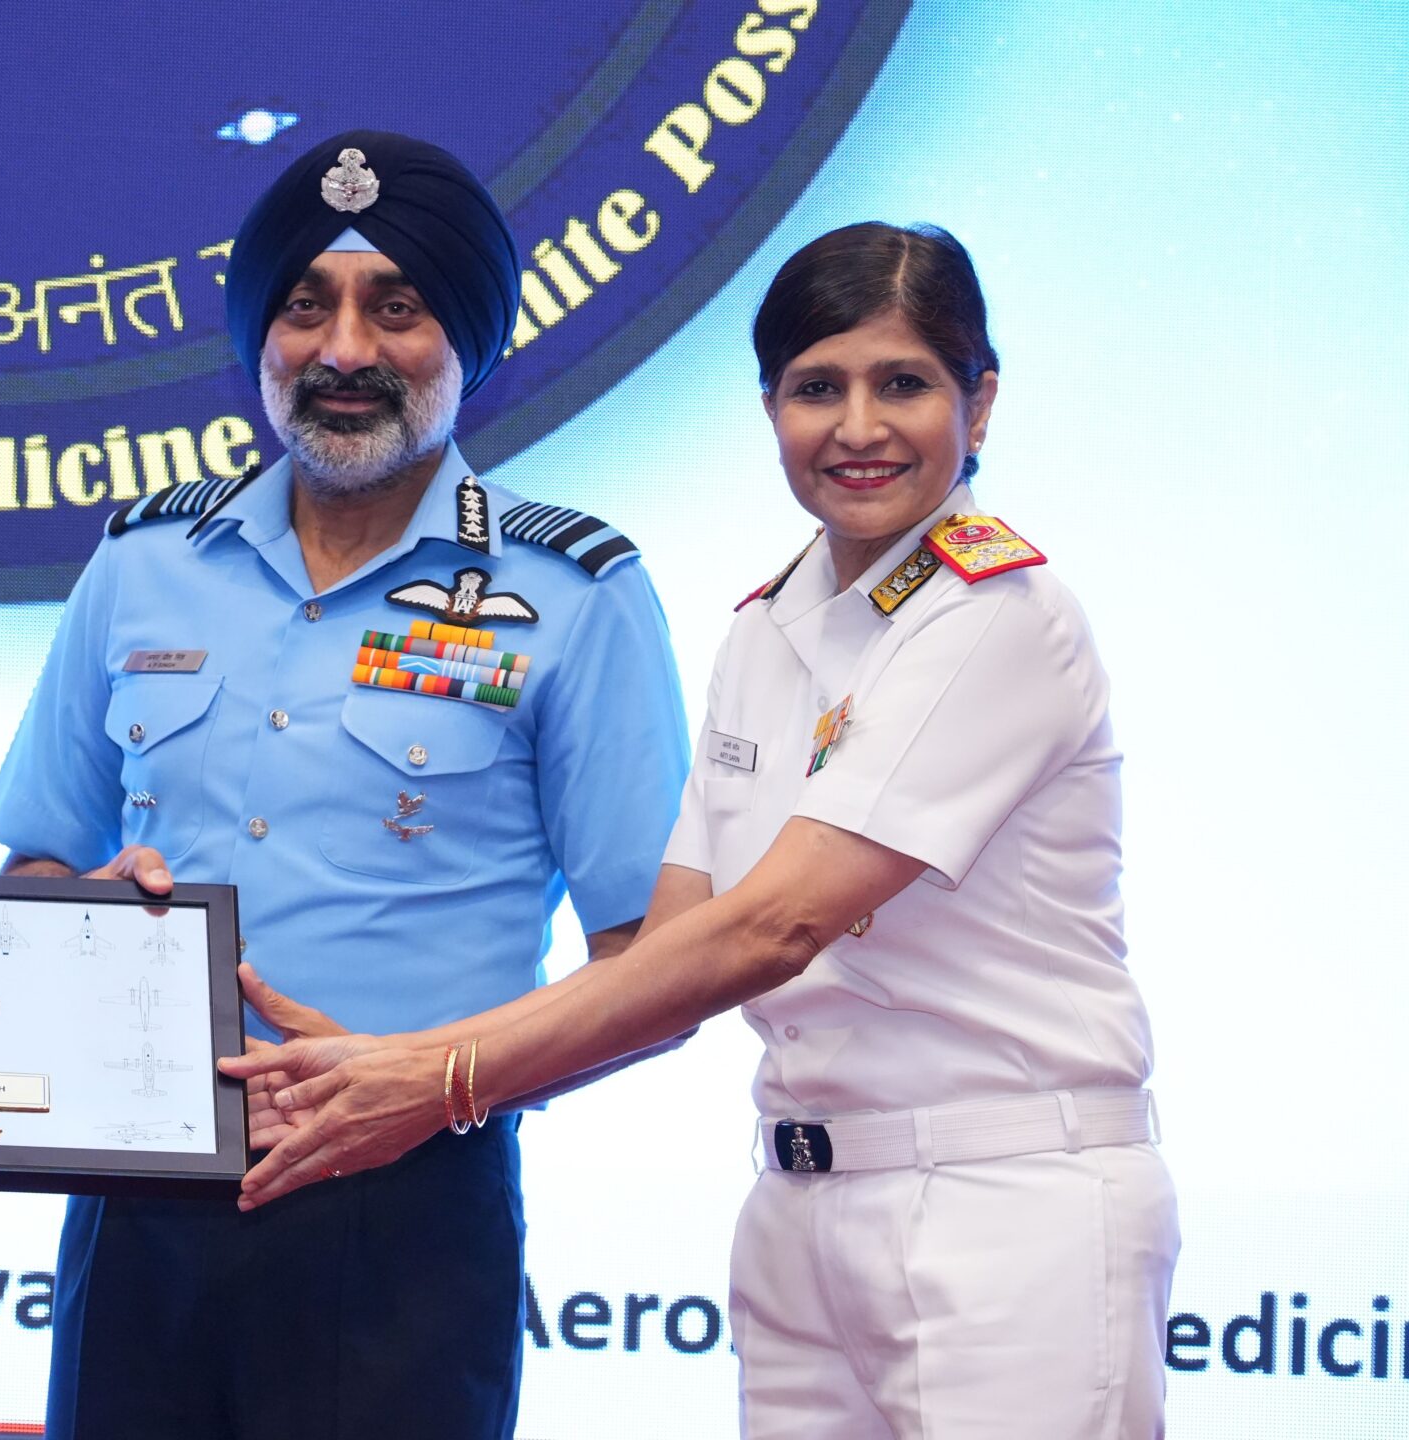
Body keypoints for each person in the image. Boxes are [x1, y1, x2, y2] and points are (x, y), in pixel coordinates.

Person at [229, 222, 1180, 1437]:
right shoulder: (768, 626)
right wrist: (400, 1074)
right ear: (770, 407)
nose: (857, 428)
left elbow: (772, 926)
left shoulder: (1000, 616)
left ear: (978, 403)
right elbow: (668, 958)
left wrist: (431, 1077)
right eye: (814, 388)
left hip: (1005, 1203)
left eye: (904, 384)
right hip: (797, 1206)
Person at [0, 132, 690, 1440]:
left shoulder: (575, 596)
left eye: (399, 307)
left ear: (468, 340)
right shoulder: (143, 564)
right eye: (305, 306)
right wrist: (81, 914)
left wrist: (440, 1079)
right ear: (259, 339)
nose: (347, 350)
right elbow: (32, 862)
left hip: (409, 1216)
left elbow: (658, 972)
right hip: (140, 1205)